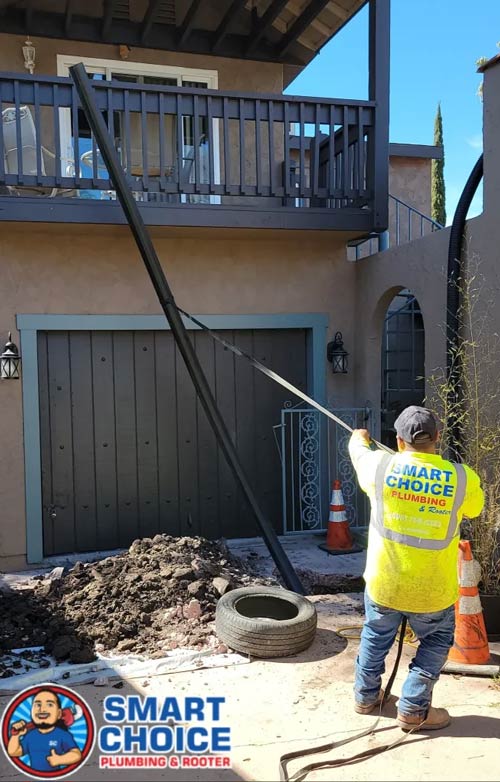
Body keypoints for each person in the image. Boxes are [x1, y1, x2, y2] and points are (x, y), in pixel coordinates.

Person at [348, 405, 484, 731]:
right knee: (435, 644)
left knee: (375, 636)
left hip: (385, 584)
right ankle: (412, 708)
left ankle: (366, 698)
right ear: (438, 438)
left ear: (398, 441)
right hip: (432, 592)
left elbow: (358, 451)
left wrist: (359, 437)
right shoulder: (462, 478)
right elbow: (475, 510)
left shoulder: (380, 467)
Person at [7, 688, 82, 772]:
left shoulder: (62, 735)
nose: (42, 709)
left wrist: (60, 759)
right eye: (38, 705)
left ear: (59, 714)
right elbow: (14, 752)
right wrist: (15, 735)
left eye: (49, 704)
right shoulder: (30, 736)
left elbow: (76, 754)